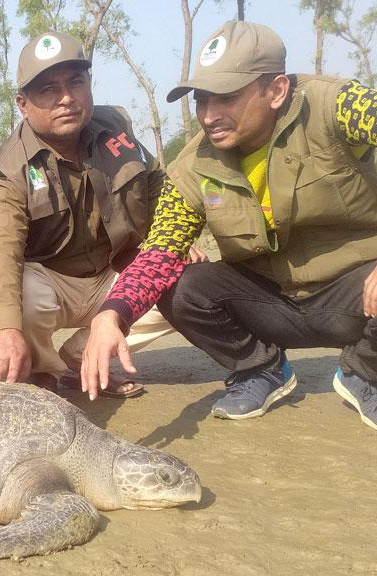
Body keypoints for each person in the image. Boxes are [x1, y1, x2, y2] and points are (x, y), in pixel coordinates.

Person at [81, 20, 377, 431]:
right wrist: (111, 315)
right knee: (179, 283)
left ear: (276, 90)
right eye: (202, 100)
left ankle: (365, 372)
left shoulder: (338, 104)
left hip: (357, 294)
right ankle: (261, 369)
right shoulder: (193, 165)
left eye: (227, 98)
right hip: (271, 301)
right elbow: (160, 251)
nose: (209, 115)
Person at [0, 31, 191, 397]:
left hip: (114, 271)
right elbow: (0, 253)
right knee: (15, 295)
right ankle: (42, 372)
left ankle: (80, 359)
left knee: (182, 277)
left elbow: (158, 188)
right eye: (47, 89)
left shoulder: (117, 129)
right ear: (23, 105)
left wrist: (175, 243)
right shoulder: (9, 171)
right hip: (52, 284)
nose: (66, 98)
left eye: (76, 82)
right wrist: (6, 333)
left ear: (90, 84)